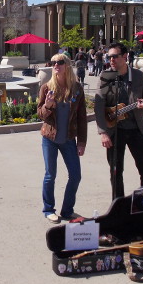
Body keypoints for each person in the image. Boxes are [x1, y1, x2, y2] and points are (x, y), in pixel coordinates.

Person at [94, 43, 143, 200]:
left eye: (115, 56)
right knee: (115, 171)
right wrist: (103, 132)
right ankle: (118, 205)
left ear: (125, 57)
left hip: (136, 129)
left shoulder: (139, 76)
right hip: (115, 130)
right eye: (109, 57)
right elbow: (99, 105)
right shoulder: (106, 76)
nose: (111, 60)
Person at [37, 54, 87, 223]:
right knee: (50, 175)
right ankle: (49, 209)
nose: (55, 65)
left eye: (59, 62)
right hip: (49, 138)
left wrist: (82, 142)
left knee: (75, 175)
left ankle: (67, 210)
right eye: (53, 63)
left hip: (68, 139)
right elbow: (40, 115)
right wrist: (48, 106)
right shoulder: (47, 88)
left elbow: (81, 117)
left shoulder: (77, 89)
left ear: (67, 65)